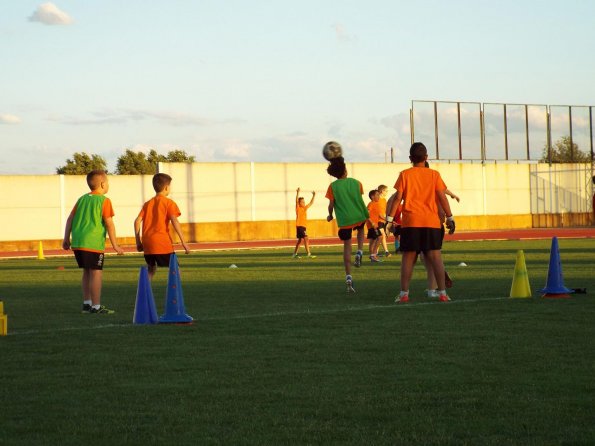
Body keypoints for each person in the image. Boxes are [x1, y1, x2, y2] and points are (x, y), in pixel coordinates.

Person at [386, 142, 455, 303]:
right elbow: (442, 196)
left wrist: (389, 220)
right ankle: (442, 293)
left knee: (408, 258)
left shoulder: (405, 174)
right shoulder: (434, 175)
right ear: (426, 157)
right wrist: (450, 217)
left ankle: (404, 294)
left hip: (411, 222)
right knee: (436, 257)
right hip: (431, 222)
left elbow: (397, 198)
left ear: (410, 158)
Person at [62, 170, 124, 314]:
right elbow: (109, 223)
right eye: (107, 181)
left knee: (86, 272)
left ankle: (87, 304)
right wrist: (115, 245)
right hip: (93, 242)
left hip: (78, 241)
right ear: (102, 184)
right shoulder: (104, 200)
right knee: (96, 273)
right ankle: (96, 307)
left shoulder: (81, 199)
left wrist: (66, 238)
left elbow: (70, 219)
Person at [325, 155, 372, 293]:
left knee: (346, 246)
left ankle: (349, 277)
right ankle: (360, 251)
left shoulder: (332, 186)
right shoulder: (357, 183)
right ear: (345, 170)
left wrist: (330, 215)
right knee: (361, 230)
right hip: (359, 215)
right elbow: (358, 196)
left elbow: (331, 204)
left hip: (344, 220)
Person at [134, 173, 190, 280]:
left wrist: (138, 242)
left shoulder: (147, 204)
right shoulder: (169, 203)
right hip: (162, 243)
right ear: (166, 187)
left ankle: (144, 292)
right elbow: (175, 221)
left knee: (151, 269)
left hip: (148, 244)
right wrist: (184, 242)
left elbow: (137, 221)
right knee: (175, 268)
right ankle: (174, 295)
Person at [292, 187, 316, 259]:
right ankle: (308, 253)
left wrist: (314, 195)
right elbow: (296, 201)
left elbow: (311, 203)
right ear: (299, 203)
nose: (304, 203)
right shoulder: (298, 208)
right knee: (306, 238)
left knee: (300, 240)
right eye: (302, 202)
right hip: (300, 226)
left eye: (304, 202)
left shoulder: (305, 208)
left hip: (303, 226)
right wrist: (297, 192)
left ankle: (294, 254)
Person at [366, 189, 383, 262]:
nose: (379, 196)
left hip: (375, 225)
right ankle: (373, 255)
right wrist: (372, 222)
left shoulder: (377, 204)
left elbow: (380, 215)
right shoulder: (371, 204)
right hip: (372, 225)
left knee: (372, 240)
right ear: (372, 197)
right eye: (377, 195)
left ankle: (372, 256)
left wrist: (390, 220)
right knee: (380, 237)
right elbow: (366, 214)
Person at [377, 185, 392, 257]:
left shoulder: (384, 200)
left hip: (383, 220)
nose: (387, 192)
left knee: (380, 237)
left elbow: (385, 210)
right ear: (382, 191)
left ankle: (375, 253)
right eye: (386, 190)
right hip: (377, 220)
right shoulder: (377, 199)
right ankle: (386, 252)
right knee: (382, 235)